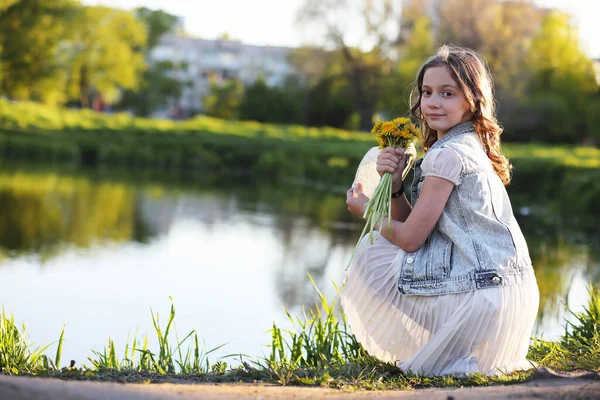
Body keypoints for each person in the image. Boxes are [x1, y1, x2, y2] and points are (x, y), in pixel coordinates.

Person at [342, 45, 539, 377]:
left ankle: (448, 345)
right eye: (427, 92)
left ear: (472, 101)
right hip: (514, 300)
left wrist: (366, 211)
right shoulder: (470, 145)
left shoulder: (446, 155)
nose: (432, 102)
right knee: (387, 246)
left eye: (447, 93)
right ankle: (452, 342)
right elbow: (411, 221)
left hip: (485, 302)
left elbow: (409, 239)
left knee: (372, 250)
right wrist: (393, 185)